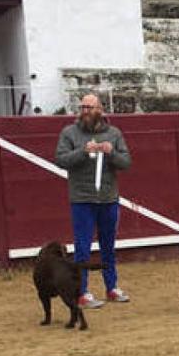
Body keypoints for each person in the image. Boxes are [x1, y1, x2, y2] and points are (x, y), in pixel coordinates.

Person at [55, 93, 132, 308]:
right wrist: (82, 151)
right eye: (83, 107)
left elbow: (126, 162)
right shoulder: (70, 133)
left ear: (100, 109)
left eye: (90, 107)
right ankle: (82, 292)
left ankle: (112, 288)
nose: (85, 111)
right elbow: (60, 159)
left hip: (108, 198)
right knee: (83, 248)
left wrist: (112, 153)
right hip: (82, 199)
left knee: (108, 246)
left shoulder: (114, 133)